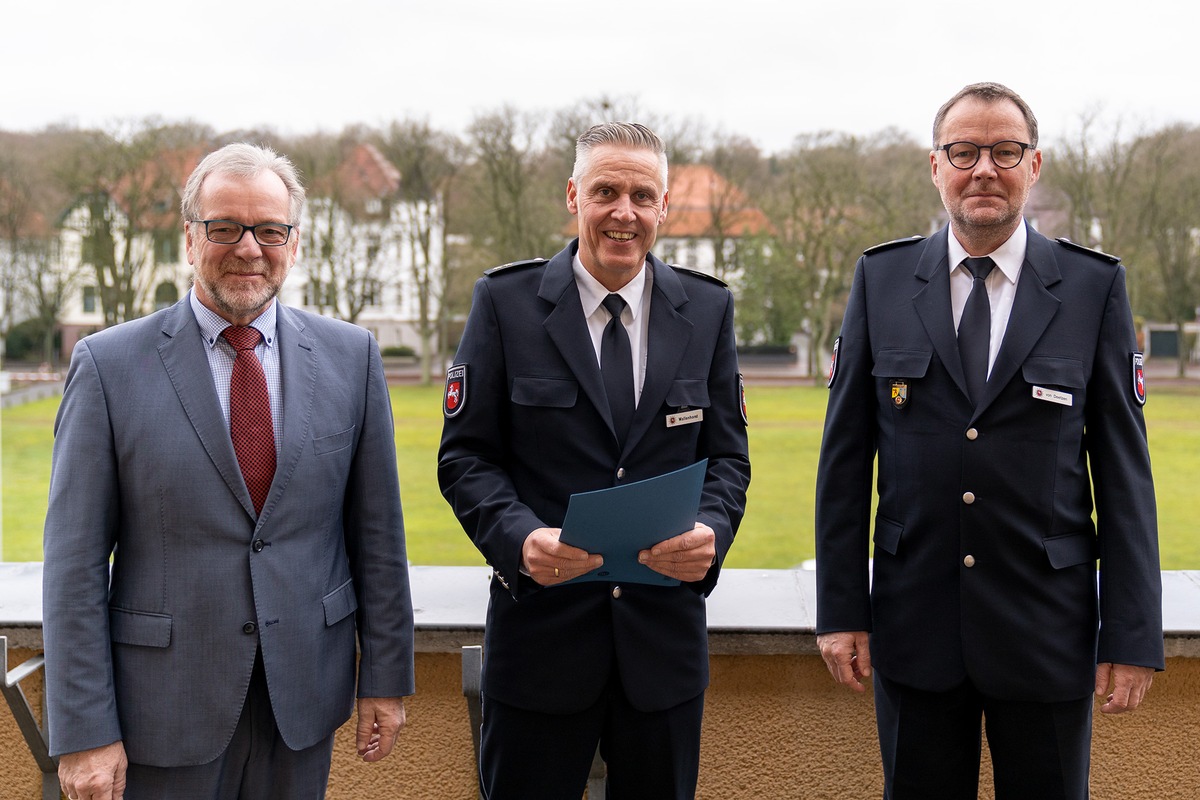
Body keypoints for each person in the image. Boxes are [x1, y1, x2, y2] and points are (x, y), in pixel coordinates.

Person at [814, 82, 1163, 799]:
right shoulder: (880, 280)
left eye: (1005, 152)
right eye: (964, 151)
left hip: (1048, 631)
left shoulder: (1093, 288)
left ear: (1033, 166)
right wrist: (841, 610)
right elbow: (845, 461)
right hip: (915, 628)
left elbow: (1124, 473)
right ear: (934, 165)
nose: (983, 169)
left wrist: (1131, 634)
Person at [42, 143, 415, 800]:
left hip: (301, 705)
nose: (249, 248)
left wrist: (385, 676)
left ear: (293, 243)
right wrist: (83, 730)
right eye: (225, 228)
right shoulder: (108, 367)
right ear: (190, 237)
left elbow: (378, 538)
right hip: (161, 711)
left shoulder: (351, 358)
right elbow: (73, 567)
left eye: (270, 229)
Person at [438, 121, 751, 799]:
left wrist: (712, 534)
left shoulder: (708, 308)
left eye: (642, 195)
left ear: (664, 207)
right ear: (573, 196)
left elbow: (729, 459)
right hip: (540, 645)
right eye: (606, 190)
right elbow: (465, 458)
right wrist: (521, 540)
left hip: (661, 652)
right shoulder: (505, 304)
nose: (624, 212)